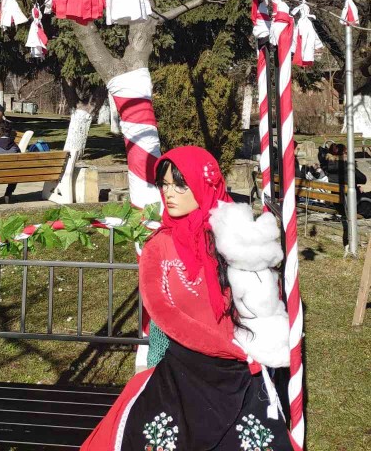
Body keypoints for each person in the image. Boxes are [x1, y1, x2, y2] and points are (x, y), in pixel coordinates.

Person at [81, 146, 293, 451]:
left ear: (204, 186)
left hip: (241, 366)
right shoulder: (160, 246)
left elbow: (262, 303)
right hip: (187, 367)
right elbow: (163, 311)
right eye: (164, 185)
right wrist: (224, 348)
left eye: (180, 185)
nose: (169, 193)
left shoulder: (235, 238)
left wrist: (260, 345)